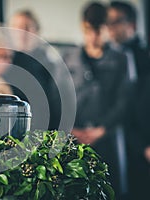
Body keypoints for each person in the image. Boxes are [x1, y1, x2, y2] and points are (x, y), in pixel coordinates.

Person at [63, 3, 131, 199]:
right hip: (75, 136)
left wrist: (101, 130)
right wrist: (72, 128)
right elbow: (58, 97)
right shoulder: (68, 59)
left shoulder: (121, 59)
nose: (93, 36)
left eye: (98, 30)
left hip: (108, 136)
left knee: (112, 190)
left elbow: (124, 100)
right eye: (88, 30)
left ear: (107, 28)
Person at [107, 2, 150, 199]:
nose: (110, 28)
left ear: (132, 24)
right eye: (108, 22)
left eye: (116, 22)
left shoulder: (144, 59)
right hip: (116, 141)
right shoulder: (108, 59)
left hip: (142, 145)